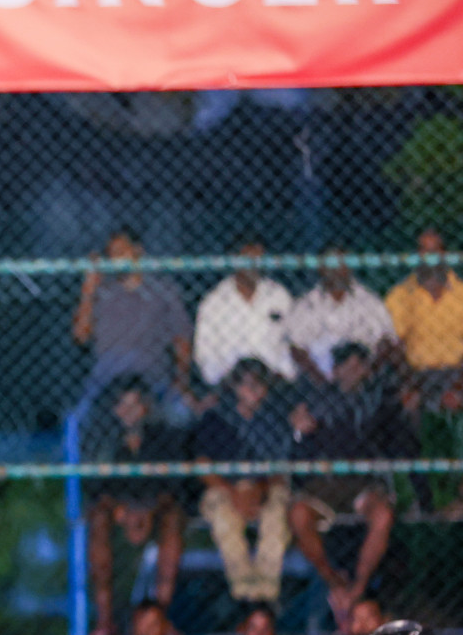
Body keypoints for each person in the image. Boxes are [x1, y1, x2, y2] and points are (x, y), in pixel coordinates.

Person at [286, 343, 402, 611]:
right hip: (324, 485)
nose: (353, 372)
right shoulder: (317, 400)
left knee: (383, 515)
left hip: (363, 483)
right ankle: (334, 581)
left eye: (358, 366)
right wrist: (300, 432)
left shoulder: (379, 400)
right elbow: (297, 452)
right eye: (346, 366)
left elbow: (392, 441)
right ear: (335, 371)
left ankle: (358, 586)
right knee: (298, 514)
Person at [82, 376, 186, 635]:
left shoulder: (163, 435)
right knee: (98, 521)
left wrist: (149, 510)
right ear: (113, 409)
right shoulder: (102, 438)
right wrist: (119, 510)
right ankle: (105, 621)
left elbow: (174, 486)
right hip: (118, 510)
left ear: (146, 408)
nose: (128, 412)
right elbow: (94, 487)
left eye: (135, 405)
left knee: (174, 519)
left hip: (153, 509)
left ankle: (160, 616)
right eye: (122, 405)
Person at [195, 358, 292, 604]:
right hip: (225, 487)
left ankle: (265, 595)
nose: (254, 392)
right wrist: (234, 493)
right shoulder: (217, 417)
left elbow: (281, 468)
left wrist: (261, 490)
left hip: (265, 486)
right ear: (236, 388)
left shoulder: (273, 419)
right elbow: (203, 466)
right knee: (223, 519)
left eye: (260, 386)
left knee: (277, 517)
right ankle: (245, 594)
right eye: (247, 385)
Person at [384, 227, 463, 514]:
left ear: (446, 255)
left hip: (457, 372)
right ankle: (421, 500)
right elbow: (393, 348)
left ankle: (458, 495)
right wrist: (410, 386)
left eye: (435, 250)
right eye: (423, 250)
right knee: (405, 414)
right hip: (416, 374)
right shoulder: (401, 294)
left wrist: (458, 386)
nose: (429, 258)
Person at [72, 228, 192, 415]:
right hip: (108, 379)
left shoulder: (163, 289)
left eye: (121, 252)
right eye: (111, 254)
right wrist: (89, 288)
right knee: (76, 418)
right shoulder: (102, 292)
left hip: (151, 376)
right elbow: (80, 336)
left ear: (138, 251)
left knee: (181, 412)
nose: (116, 259)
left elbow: (182, 338)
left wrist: (181, 382)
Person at [193, 233, 297, 388]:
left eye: (259, 259)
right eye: (249, 259)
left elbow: (293, 345)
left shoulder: (279, 295)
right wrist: (233, 383)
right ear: (234, 260)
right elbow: (205, 357)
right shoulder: (213, 302)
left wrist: (281, 378)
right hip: (230, 387)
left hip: (275, 385)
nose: (255, 265)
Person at [285, 245, 396, 384]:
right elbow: (296, 349)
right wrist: (320, 380)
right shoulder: (305, 305)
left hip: (364, 382)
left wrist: (367, 371)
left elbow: (387, 342)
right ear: (321, 268)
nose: (337, 269)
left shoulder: (371, 303)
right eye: (332, 263)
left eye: (343, 263)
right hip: (319, 383)